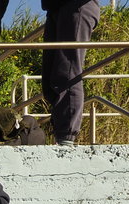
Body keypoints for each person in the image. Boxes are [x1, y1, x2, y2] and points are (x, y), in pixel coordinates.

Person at [42, 0, 100, 146]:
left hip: (77, 5)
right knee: (50, 79)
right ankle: (61, 135)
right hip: (55, 8)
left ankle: (66, 137)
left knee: (67, 71)